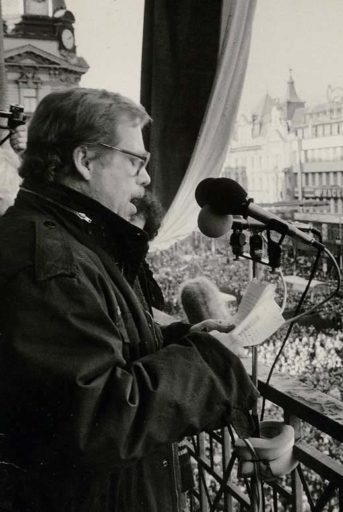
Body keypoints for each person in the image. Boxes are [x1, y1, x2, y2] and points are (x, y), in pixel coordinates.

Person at [0, 88, 258, 512]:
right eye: (135, 161)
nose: (146, 178)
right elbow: (96, 415)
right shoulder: (49, 261)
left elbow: (103, 344)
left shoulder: (61, 238)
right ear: (85, 161)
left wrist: (184, 337)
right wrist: (208, 361)